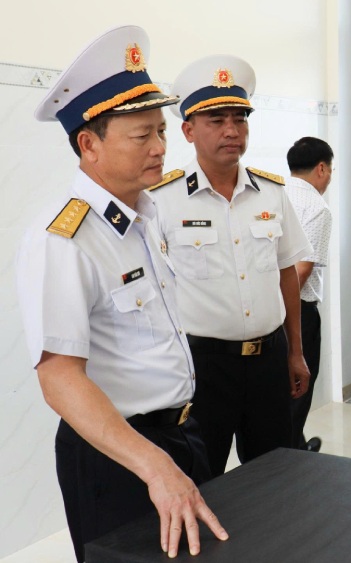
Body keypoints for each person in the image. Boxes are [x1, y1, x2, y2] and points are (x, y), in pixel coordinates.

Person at [17, 26, 228, 561]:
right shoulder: (64, 238)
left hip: (181, 433)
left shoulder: (142, 216)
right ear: (88, 144)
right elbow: (59, 378)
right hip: (118, 458)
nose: (160, 148)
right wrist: (155, 466)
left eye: (161, 131)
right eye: (142, 136)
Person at [147, 55, 312, 477]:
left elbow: (287, 274)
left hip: (268, 362)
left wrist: (295, 351)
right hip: (204, 368)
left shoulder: (271, 193)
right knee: (203, 478)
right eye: (216, 120)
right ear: (187, 130)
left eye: (240, 119)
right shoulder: (161, 201)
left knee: (275, 477)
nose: (232, 131)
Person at [284, 136, 334, 452]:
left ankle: (296, 446)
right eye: (330, 169)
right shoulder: (316, 206)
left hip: (268, 312)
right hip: (297, 310)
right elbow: (301, 271)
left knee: (278, 392)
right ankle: (292, 457)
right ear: (320, 168)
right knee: (300, 388)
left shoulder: (272, 193)